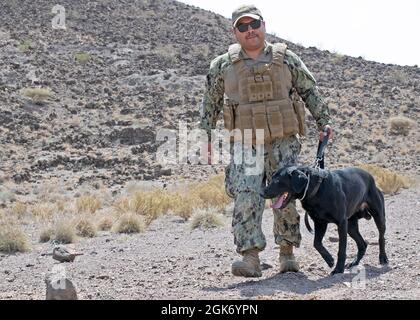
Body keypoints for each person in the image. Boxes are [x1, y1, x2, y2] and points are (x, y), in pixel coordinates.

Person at [199, 4, 332, 277]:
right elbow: (210, 102)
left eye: (254, 24)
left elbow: (309, 89)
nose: (250, 31)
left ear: (264, 25)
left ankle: (287, 254)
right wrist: (206, 136)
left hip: (283, 141)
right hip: (246, 142)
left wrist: (323, 121)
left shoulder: (286, 58)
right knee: (247, 195)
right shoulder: (223, 64)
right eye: (242, 26)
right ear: (235, 31)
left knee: (285, 195)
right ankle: (250, 258)